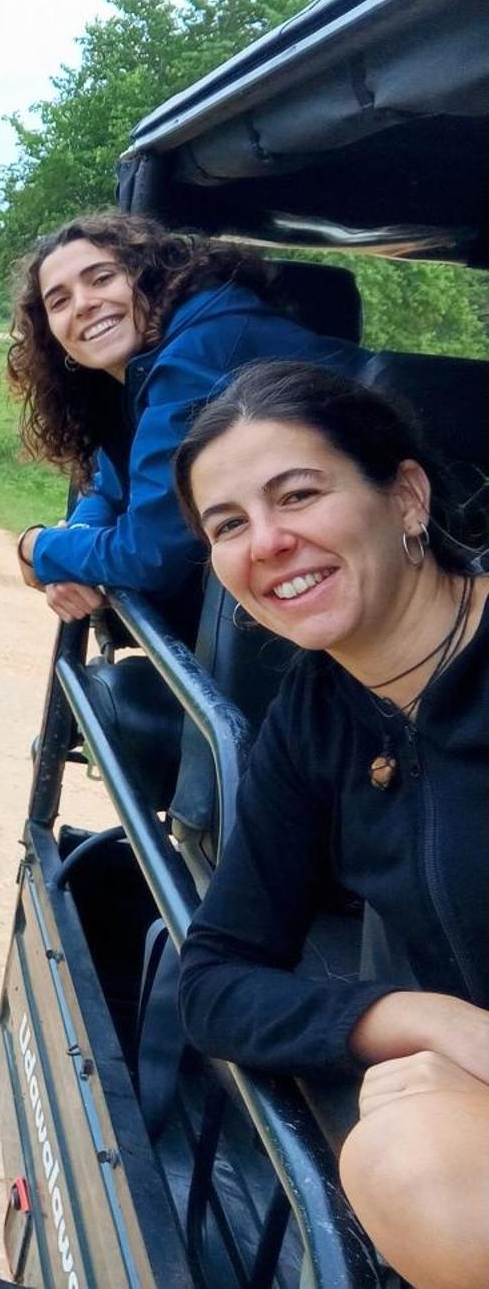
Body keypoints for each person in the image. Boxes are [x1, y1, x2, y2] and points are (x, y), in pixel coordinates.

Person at [172, 361, 489, 1289]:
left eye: (298, 494)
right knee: (406, 1151)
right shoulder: (317, 716)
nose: (268, 541)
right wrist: (413, 1016)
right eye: (228, 525)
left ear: (406, 496)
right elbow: (216, 977)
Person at [7, 213, 363, 628]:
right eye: (60, 301)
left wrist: (35, 547)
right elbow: (105, 485)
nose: (84, 304)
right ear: (53, 334)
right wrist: (73, 546)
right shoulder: (139, 371)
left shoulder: (196, 353)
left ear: (149, 277)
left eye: (102, 278)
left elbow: (149, 554)